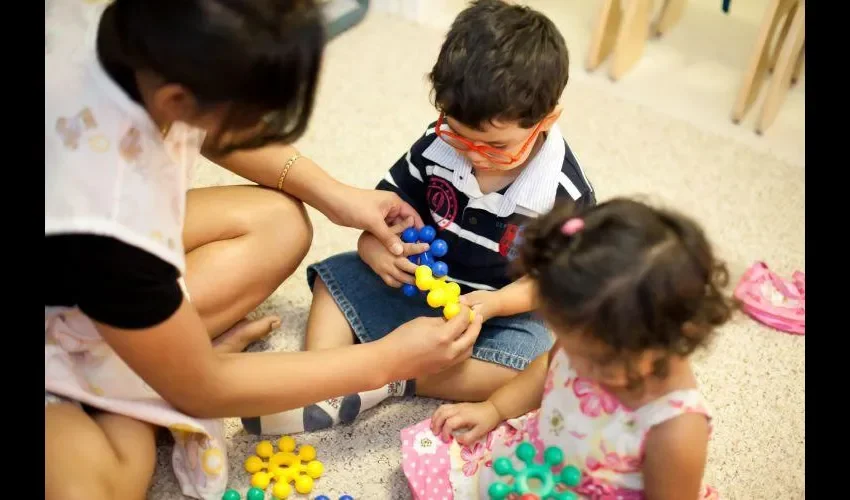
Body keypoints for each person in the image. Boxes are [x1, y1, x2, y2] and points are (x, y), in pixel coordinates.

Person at [44, 1, 481, 499]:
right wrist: (390, 360)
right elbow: (202, 389)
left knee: (280, 223)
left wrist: (336, 196)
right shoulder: (112, 223)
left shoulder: (125, 38)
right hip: (82, 264)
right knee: (105, 482)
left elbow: (207, 129)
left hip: (83, 262)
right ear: (177, 96)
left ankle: (148, 356)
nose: (263, 123)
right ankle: (129, 380)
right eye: (251, 113)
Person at [243, 0, 596, 436]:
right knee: (337, 282)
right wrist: (374, 248)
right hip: (419, 282)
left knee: (535, 368)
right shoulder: (438, 143)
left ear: (547, 120)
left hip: (498, 311)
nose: (471, 156)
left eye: (496, 147)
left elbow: (553, 284)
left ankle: (391, 381)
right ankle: (323, 377)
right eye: (457, 133)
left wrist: (496, 304)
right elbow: (385, 208)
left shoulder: (566, 196)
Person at [405, 198, 734, 499]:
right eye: (572, 350)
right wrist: (495, 409)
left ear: (670, 337)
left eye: (596, 361)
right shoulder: (586, 342)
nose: (578, 367)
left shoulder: (676, 429)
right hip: (540, 455)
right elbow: (546, 369)